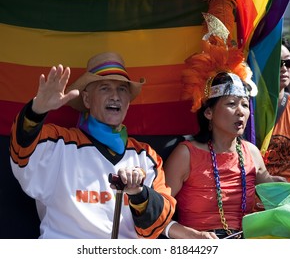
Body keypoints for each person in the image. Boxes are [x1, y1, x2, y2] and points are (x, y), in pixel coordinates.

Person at [9, 52, 176, 239]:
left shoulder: (145, 156)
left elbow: (158, 222)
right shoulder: (58, 144)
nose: (115, 96)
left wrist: (139, 193)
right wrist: (36, 111)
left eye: (122, 89)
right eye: (105, 88)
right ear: (87, 100)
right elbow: (21, 153)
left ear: (128, 102)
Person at [162, 14, 286, 239]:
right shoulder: (186, 154)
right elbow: (156, 215)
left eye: (245, 105)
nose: (241, 111)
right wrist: (192, 236)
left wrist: (280, 188)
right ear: (208, 112)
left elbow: (271, 191)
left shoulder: (251, 152)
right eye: (231, 104)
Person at [263, 38, 290, 182]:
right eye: (277, 63)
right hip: (254, 200)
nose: (284, 68)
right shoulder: (245, 110)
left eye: (288, 63)